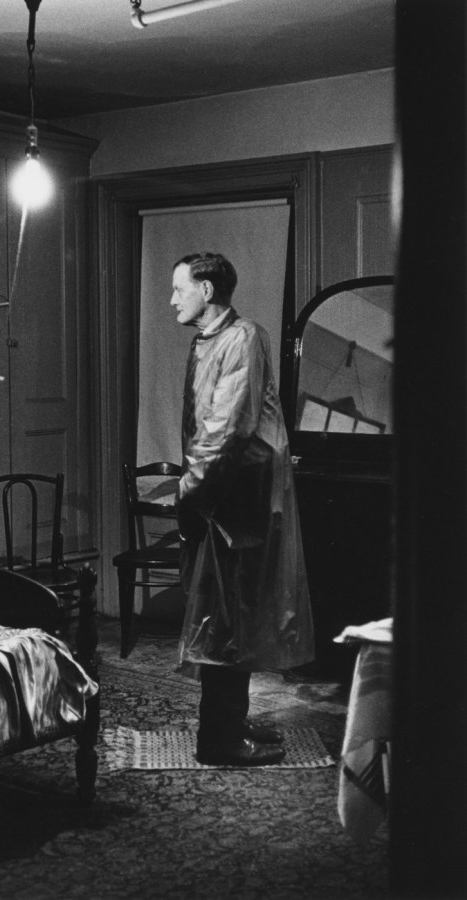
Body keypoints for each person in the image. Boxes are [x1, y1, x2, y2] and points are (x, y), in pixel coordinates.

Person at [170, 252, 314, 766]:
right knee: (223, 617)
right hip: (221, 499)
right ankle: (222, 734)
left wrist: (191, 491)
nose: (173, 301)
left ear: (207, 291)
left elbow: (227, 428)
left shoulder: (244, 337)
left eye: (179, 290)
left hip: (236, 502)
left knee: (233, 617)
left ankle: (225, 733)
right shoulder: (209, 340)